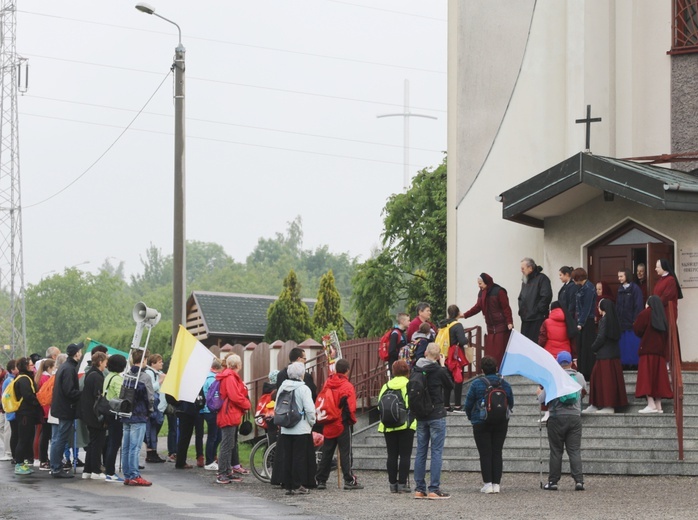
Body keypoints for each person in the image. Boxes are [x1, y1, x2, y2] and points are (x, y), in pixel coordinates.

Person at [464, 355, 514, 494]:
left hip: (481, 421)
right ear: (496, 367)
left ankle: (488, 484)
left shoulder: (477, 383)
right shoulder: (504, 383)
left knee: (485, 453)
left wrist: (470, 416)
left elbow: (468, 403)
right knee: (497, 452)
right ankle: (497, 484)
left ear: (482, 369)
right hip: (501, 422)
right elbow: (510, 401)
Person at [537, 351, 586, 491]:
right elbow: (583, 393)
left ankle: (553, 482)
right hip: (575, 417)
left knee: (556, 451)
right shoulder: (579, 376)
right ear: (571, 362)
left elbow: (542, 400)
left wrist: (539, 391)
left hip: (556, 417)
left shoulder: (553, 377)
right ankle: (579, 481)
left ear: (558, 363)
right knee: (574, 450)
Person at [413, 343, 453, 500]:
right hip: (436, 413)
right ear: (437, 356)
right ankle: (434, 489)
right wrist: (443, 366)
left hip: (421, 415)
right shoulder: (438, 369)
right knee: (436, 451)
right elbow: (450, 385)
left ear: (425, 353)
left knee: (421, 451)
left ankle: (419, 489)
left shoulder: (416, 368)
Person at [315, 358, 363, 491]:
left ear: (336, 370)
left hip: (328, 422)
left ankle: (321, 480)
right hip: (341, 423)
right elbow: (350, 407)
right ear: (347, 371)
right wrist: (351, 420)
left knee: (327, 452)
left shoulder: (328, 383)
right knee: (345, 453)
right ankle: (348, 480)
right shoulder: (347, 386)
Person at [277, 361, 317, 495]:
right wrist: (312, 422)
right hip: (301, 428)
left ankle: (288, 485)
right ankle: (297, 484)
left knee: (287, 456)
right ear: (302, 374)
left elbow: (278, 406)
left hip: (286, 427)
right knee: (299, 457)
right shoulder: (304, 389)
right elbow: (310, 410)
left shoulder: (283, 387)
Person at [377, 360, 416, 493]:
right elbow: (411, 404)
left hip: (387, 425)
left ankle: (392, 484)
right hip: (406, 424)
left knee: (391, 455)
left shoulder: (386, 385)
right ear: (407, 372)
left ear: (394, 372)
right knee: (405, 455)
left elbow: (379, 405)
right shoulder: (408, 384)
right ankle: (402, 484)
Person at [584, 299, 628, 414]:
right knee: (605, 380)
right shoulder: (614, 320)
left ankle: (606, 406)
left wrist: (593, 347)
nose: (598, 309)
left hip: (604, 355)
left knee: (601, 380)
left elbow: (601, 337)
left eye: (599, 306)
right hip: (613, 354)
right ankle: (596, 404)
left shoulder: (604, 320)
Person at [462, 273, 514, 366]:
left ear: (486, 282)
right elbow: (477, 307)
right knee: (491, 353)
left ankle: (500, 370)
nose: (479, 285)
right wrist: (465, 315)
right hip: (490, 327)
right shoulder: (481, 293)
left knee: (500, 352)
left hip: (501, 326)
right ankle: (491, 370)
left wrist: (509, 322)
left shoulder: (499, 291)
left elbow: (506, 308)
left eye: (480, 283)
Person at [634, 296, 673, 413]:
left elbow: (637, 328)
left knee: (646, 378)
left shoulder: (646, 313)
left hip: (647, 351)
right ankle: (658, 405)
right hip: (660, 353)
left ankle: (651, 404)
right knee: (658, 379)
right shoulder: (662, 316)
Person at [215, 354, 250, 484]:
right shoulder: (230, 377)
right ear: (238, 365)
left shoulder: (229, 376)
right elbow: (235, 396)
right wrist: (246, 404)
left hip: (229, 412)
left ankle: (227, 471)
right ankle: (222, 473)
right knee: (227, 444)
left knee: (229, 444)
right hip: (229, 413)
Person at [49, 342, 83, 478]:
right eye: (80, 351)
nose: (81, 353)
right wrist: (83, 393)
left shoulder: (65, 367)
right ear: (76, 354)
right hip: (65, 408)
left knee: (58, 438)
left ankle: (55, 466)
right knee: (60, 438)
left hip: (61, 407)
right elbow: (69, 391)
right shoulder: (69, 369)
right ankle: (56, 468)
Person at [121, 348, 154, 486]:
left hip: (127, 413)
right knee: (135, 447)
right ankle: (135, 474)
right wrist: (150, 410)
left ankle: (128, 474)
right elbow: (150, 397)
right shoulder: (145, 377)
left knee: (127, 447)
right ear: (144, 360)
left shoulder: (127, 374)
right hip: (139, 414)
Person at [79, 351, 108, 480]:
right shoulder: (97, 376)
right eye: (105, 362)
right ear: (100, 362)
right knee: (98, 443)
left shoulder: (89, 374)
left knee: (92, 442)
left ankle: (88, 469)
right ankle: (96, 470)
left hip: (88, 413)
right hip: (96, 415)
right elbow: (99, 397)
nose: (106, 365)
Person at [13, 357, 41, 475]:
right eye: (30, 365)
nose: (33, 366)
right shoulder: (24, 379)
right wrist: (38, 401)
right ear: (25, 366)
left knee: (26, 438)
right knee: (23, 439)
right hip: (25, 413)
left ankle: (22, 463)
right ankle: (19, 464)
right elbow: (28, 396)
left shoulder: (21, 378)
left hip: (25, 413)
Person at [103, 354, 127, 482]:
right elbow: (121, 395)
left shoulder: (108, 376)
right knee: (115, 443)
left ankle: (108, 469)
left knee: (110, 441)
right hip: (116, 413)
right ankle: (110, 472)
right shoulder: (117, 379)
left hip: (108, 411)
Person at [441, 304, 469, 412]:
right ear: (458, 313)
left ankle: (446, 405)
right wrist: (466, 340)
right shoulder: (457, 325)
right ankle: (457, 405)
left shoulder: (444, 324)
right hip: (455, 356)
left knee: (447, 380)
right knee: (458, 379)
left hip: (445, 355)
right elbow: (462, 341)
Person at [518, 258, 553, 343]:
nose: (521, 271)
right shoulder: (525, 280)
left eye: (523, 268)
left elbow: (546, 296)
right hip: (526, 318)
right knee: (525, 344)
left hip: (537, 318)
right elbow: (522, 296)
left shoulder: (542, 279)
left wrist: (538, 310)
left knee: (536, 344)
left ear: (530, 268)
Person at [616, 268, 644, 369]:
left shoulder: (635, 289)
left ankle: (634, 364)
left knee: (632, 344)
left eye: (621, 276)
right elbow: (618, 306)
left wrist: (635, 320)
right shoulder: (620, 289)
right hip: (622, 323)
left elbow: (638, 305)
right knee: (623, 345)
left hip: (631, 323)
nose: (619, 278)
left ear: (626, 276)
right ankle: (624, 363)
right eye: (618, 276)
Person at [572, 268, 596, 381]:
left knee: (587, 347)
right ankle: (582, 371)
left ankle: (588, 372)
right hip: (582, 320)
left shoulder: (589, 288)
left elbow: (587, 307)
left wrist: (581, 323)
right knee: (581, 347)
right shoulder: (582, 287)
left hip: (587, 321)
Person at [144, 354, 166, 463]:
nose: (162, 363)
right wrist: (160, 381)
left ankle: (153, 451)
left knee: (154, 429)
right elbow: (151, 388)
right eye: (159, 362)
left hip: (160, 406)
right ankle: (150, 452)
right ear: (153, 363)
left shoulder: (159, 373)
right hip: (153, 406)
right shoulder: (149, 373)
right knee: (151, 429)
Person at [201, 358, 223, 471]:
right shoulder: (213, 379)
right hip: (212, 410)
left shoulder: (206, 377)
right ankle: (209, 461)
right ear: (217, 369)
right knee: (213, 436)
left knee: (216, 435)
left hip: (206, 410)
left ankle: (212, 458)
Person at [34, 358, 55, 471]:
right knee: (46, 435)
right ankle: (44, 459)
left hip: (42, 409)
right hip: (47, 409)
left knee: (44, 434)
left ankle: (43, 458)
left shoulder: (39, 377)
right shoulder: (47, 378)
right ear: (49, 368)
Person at [557, 266, 580, 356]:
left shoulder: (572, 287)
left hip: (569, 317)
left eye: (561, 275)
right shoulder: (566, 286)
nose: (560, 277)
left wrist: (567, 316)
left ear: (567, 275)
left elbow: (571, 303)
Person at [653, 258, 683, 324]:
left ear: (663, 267)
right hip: (660, 311)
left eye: (657, 267)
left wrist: (654, 304)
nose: (655, 269)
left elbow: (666, 296)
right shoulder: (660, 280)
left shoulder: (671, 280)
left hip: (667, 312)